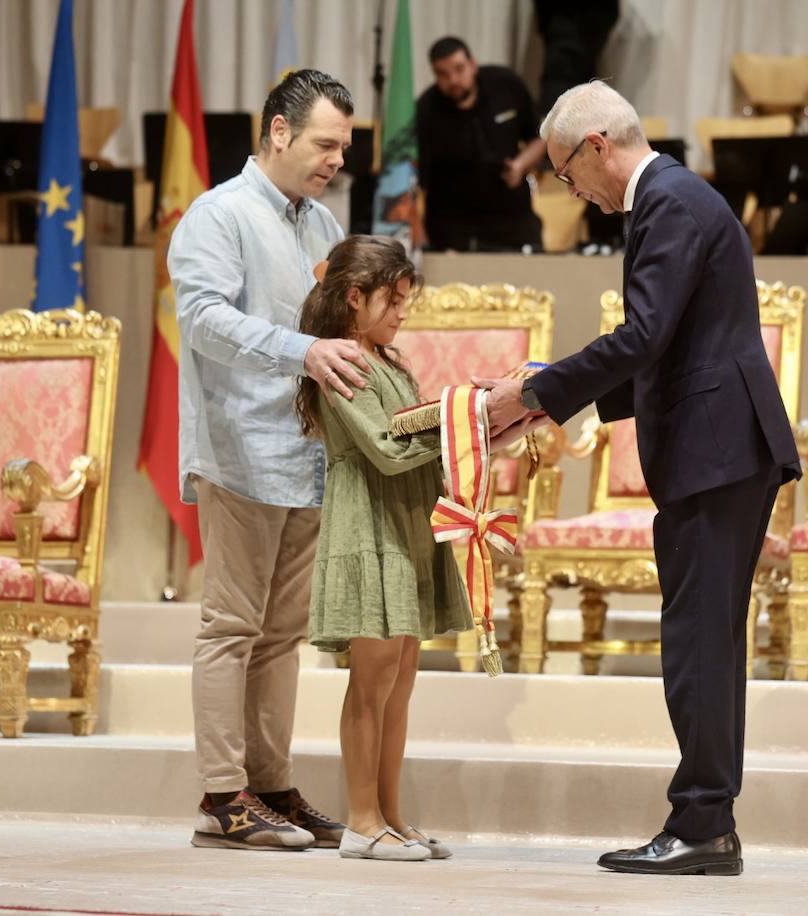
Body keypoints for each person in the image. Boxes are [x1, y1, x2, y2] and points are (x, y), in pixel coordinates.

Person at [478, 81, 801, 876]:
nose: (573, 193)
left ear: (596, 147)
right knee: (706, 647)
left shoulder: (668, 203)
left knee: (697, 648)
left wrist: (537, 392)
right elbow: (666, 349)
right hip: (719, 448)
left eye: (565, 173)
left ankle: (702, 824)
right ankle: (707, 824)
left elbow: (645, 334)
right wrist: (549, 402)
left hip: (716, 451)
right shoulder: (675, 199)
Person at [170, 69, 369, 852]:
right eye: (325, 143)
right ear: (278, 133)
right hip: (240, 451)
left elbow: (341, 333)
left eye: (344, 147)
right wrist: (305, 352)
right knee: (231, 626)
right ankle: (222, 795)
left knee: (283, 634)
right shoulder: (217, 216)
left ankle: (272, 784)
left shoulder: (321, 226)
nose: (335, 160)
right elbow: (205, 322)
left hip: (306, 454)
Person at [295, 235, 534, 861]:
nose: (403, 313)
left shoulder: (391, 362)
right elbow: (387, 447)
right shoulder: (344, 362)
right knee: (370, 682)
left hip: (405, 519)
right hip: (366, 523)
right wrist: (468, 418)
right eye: (393, 301)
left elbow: (421, 433)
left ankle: (391, 815)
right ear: (354, 297)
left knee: (400, 680)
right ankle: (360, 821)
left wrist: (487, 424)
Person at [416, 36, 545, 252]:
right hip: (452, 225)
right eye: (443, 74)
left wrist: (520, 165)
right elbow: (419, 181)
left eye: (459, 69)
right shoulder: (426, 109)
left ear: (473, 64)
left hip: (511, 215)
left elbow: (540, 138)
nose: (453, 80)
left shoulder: (506, 85)